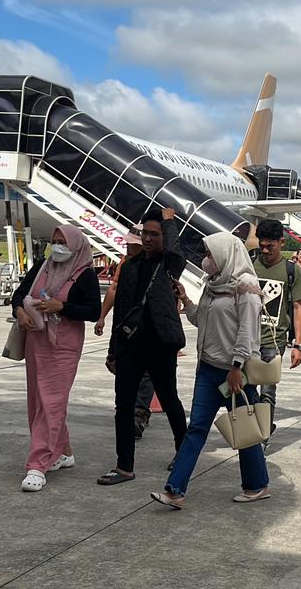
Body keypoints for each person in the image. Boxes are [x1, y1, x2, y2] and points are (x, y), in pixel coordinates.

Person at [149, 233, 269, 509]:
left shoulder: (246, 286)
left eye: (211, 254)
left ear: (226, 254)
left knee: (245, 430)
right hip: (209, 369)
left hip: (235, 373)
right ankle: (175, 489)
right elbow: (201, 321)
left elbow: (248, 331)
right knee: (197, 429)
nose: (206, 260)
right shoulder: (214, 285)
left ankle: (257, 485)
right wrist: (187, 301)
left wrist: (237, 366)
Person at [99, 208, 187, 486]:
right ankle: (124, 466)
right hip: (130, 347)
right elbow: (121, 310)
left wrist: (170, 223)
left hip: (160, 346)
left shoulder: (168, 266)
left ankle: (183, 454)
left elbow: (176, 253)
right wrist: (113, 350)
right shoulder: (130, 266)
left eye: (154, 234)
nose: (148, 239)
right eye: (144, 234)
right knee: (123, 405)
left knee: (170, 401)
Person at [10, 226, 101, 492]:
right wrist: (20, 312)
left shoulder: (84, 274)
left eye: (63, 242)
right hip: (36, 342)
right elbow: (19, 294)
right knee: (38, 399)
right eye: (54, 241)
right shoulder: (42, 266)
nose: (57, 247)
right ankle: (64, 452)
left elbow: (93, 310)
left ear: (76, 246)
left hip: (63, 346)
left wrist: (62, 307)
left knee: (52, 401)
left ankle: (37, 464)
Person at [94, 225, 157, 440]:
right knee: (124, 369)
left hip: (148, 330)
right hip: (126, 328)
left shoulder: (158, 265)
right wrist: (102, 316)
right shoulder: (125, 263)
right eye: (128, 242)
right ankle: (127, 410)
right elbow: (114, 290)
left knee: (147, 372)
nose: (128, 246)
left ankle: (139, 415)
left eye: (133, 243)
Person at [251, 219, 301, 437]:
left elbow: (298, 307)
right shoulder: (250, 265)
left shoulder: (291, 270)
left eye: (270, 246)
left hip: (274, 341)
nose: (265, 250)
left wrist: (298, 344)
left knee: (268, 391)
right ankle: (259, 425)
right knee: (245, 389)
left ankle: (262, 436)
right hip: (248, 340)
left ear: (281, 242)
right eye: (262, 245)